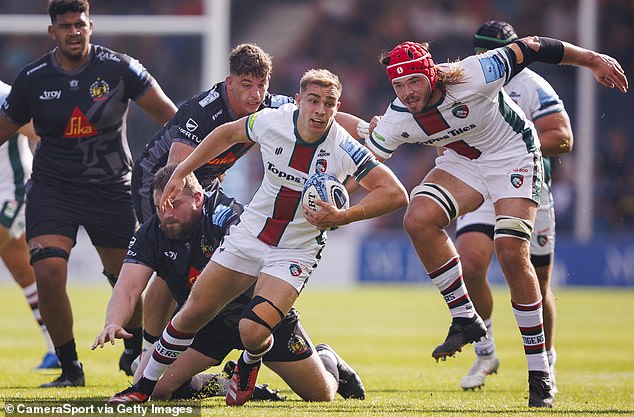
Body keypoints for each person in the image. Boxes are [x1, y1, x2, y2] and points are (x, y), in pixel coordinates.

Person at [108, 68, 408, 406]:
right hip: (251, 234)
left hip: (295, 250)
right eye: (313, 101)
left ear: (337, 108)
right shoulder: (274, 121)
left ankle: (258, 362)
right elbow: (226, 133)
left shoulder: (343, 147)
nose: (321, 110)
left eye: (329, 104)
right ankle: (140, 390)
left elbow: (396, 194)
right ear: (298, 102)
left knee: (259, 337)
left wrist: (343, 216)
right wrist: (182, 171)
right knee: (192, 312)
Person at [366, 37, 627, 407]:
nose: (407, 92)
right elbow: (363, 161)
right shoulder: (397, 118)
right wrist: (333, 198)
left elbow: (532, 46)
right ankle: (464, 318)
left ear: (430, 73)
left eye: (414, 82)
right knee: (418, 218)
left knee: (509, 252)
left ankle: (539, 374)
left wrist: (592, 59)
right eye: (398, 85)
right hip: (465, 162)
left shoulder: (476, 72)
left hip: (513, 154)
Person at [131, 43, 370, 369]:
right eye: (247, 85)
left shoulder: (271, 106)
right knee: (171, 261)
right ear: (230, 83)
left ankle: (234, 336)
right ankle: (149, 350)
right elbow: (176, 168)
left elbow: (323, 112)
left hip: (207, 186)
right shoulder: (204, 111)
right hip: (163, 184)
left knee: (213, 258)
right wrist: (189, 195)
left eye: (262, 85)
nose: (256, 94)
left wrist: (370, 130)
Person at [0, 0, 177, 387]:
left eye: (79, 25)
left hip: (110, 187)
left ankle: (132, 350)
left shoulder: (120, 68)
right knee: (47, 270)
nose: (74, 32)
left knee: (124, 277)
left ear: (91, 26)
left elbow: (173, 117)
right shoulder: (33, 78)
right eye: (65, 27)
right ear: (53, 32)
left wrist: (184, 167)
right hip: (52, 187)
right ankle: (70, 368)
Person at [93, 164, 365, 403]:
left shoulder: (227, 217)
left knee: (321, 395)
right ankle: (223, 383)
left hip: (260, 319)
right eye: (160, 206)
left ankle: (326, 357)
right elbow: (128, 287)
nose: (166, 213)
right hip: (205, 323)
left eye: (175, 205)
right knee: (156, 388)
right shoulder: (152, 232)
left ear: (198, 198)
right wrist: (113, 322)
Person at [456, 20, 574, 393]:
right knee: (471, 264)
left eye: (493, 54)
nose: (486, 60)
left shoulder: (532, 86)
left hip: (528, 190)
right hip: (482, 188)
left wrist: (508, 144)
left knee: (536, 284)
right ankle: (485, 350)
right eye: (480, 54)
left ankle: (546, 361)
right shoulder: (463, 82)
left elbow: (562, 136)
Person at [0, 80, 60, 369]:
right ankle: (57, 348)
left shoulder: (5, 95)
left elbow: (40, 132)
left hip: (10, 193)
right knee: (24, 273)